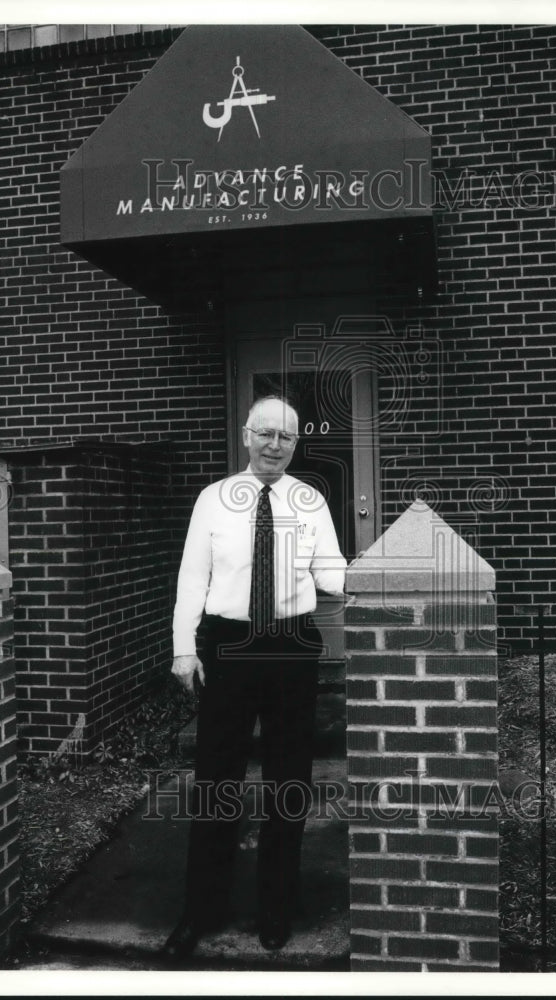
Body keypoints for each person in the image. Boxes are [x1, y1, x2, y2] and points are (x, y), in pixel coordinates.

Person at [161, 395, 346, 962]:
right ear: (246, 435)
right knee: (218, 777)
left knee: (290, 778)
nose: (274, 444)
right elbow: (193, 576)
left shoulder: (310, 500)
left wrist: (378, 579)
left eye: (285, 437)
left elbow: (331, 570)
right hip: (230, 645)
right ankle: (203, 907)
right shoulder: (214, 499)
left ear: (296, 443)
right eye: (265, 433)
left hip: (291, 645)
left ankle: (276, 904)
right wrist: (184, 650)